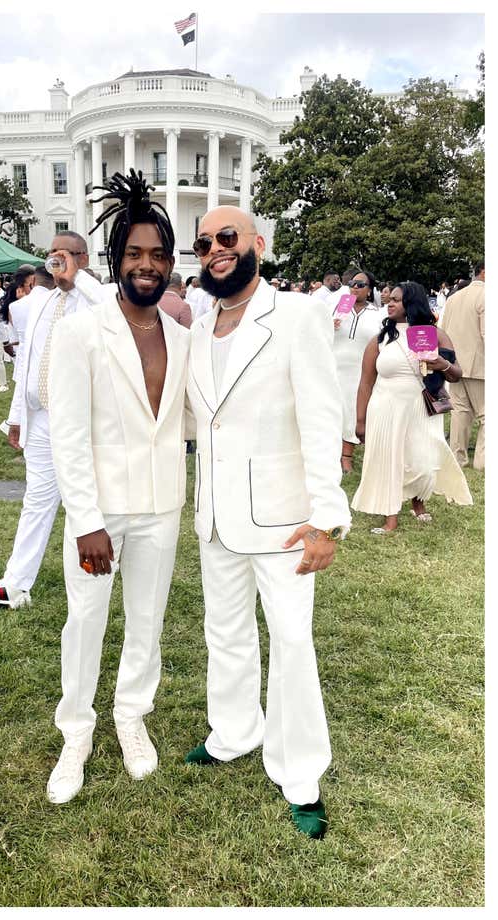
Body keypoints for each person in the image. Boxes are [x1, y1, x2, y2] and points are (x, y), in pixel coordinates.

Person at [184, 205, 350, 840]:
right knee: (223, 633)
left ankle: (300, 770)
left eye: (227, 238)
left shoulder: (297, 316)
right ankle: (233, 731)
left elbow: (320, 419)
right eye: (204, 243)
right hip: (217, 518)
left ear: (258, 243)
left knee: (291, 642)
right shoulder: (199, 328)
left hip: (284, 522)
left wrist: (326, 520)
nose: (215, 250)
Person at [45, 170, 189, 804]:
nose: (147, 265)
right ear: (116, 259)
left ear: (171, 262)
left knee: (147, 619)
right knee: (85, 619)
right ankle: (76, 730)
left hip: (162, 503)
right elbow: (67, 434)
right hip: (100, 511)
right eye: (135, 254)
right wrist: (85, 519)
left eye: (158, 255)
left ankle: (132, 715)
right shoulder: (82, 331)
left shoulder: (185, 338)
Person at [0, 233, 103, 610]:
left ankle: (92, 578)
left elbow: (115, 313)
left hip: (81, 423)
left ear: (84, 259)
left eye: (67, 255)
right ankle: (15, 585)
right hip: (40, 418)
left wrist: (79, 278)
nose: (58, 261)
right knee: (37, 500)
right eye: (52, 255)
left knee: (84, 502)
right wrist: (16, 418)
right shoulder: (39, 303)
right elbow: (26, 361)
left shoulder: (96, 301)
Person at [351, 281, 472, 533]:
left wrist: (441, 363)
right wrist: (360, 420)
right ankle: (390, 517)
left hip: (422, 406)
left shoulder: (435, 335)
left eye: (396, 299)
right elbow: (365, 383)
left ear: (412, 303)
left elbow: (456, 374)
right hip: (385, 407)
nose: (389, 302)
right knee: (389, 460)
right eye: (389, 299)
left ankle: (419, 501)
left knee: (424, 461)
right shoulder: (380, 339)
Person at [333, 270, 386, 474]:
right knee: (333, 411)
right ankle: (330, 453)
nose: (355, 287)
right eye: (352, 283)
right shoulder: (335, 309)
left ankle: (347, 456)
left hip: (360, 373)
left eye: (360, 284)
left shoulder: (378, 315)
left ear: (370, 290)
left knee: (353, 413)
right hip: (334, 369)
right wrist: (329, 325)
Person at [440, 260, 484, 470]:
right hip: (481, 365)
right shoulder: (487, 296)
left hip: (454, 365)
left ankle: (458, 459)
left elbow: (443, 330)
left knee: (459, 412)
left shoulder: (454, 297)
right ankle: (483, 461)